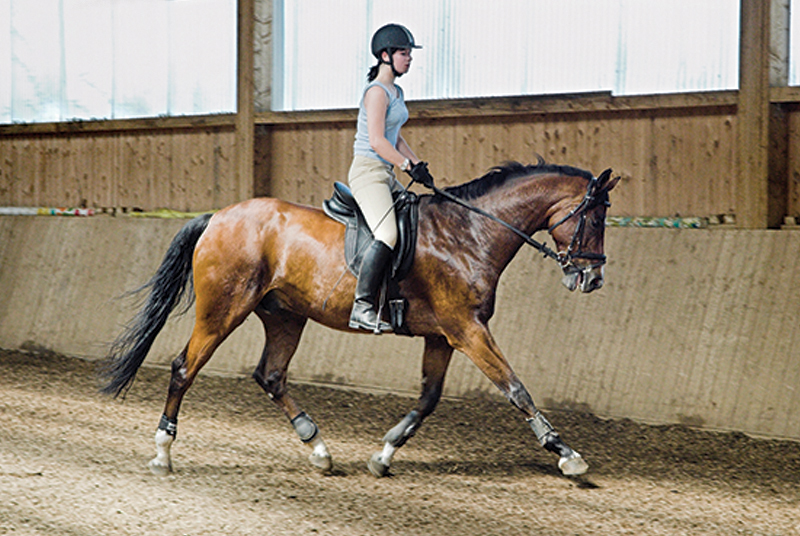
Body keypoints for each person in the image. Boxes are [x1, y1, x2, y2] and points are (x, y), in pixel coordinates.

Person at [348, 23, 435, 333]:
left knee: (415, 220)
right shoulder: (376, 92)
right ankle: (362, 306)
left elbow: (395, 137)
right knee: (387, 233)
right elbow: (376, 141)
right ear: (385, 55)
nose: (409, 59)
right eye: (403, 53)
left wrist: (416, 163)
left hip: (385, 171)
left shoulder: (397, 92)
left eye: (409, 54)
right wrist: (404, 165)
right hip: (368, 172)